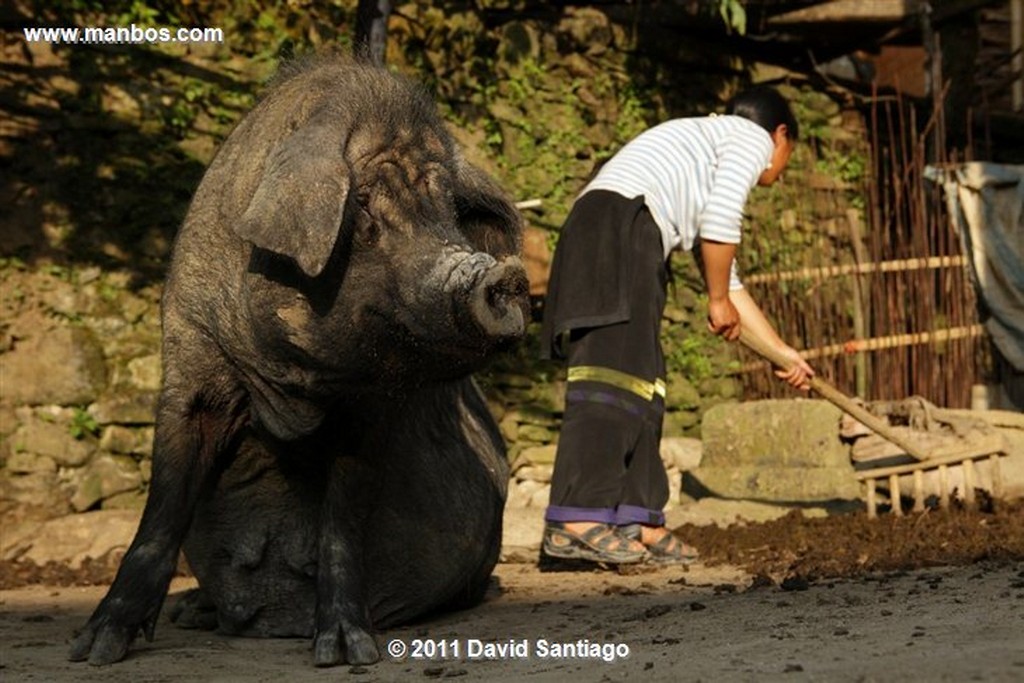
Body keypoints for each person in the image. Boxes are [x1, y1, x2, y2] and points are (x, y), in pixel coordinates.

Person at [539, 85, 816, 565]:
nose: (780, 166)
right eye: (787, 154)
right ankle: (575, 516)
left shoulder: (704, 155)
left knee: (646, 380)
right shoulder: (749, 137)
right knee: (611, 375)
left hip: (633, 232)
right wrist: (713, 300)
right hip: (619, 226)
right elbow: (723, 225)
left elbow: (727, 280)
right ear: (780, 135)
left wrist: (782, 355)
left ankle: (637, 517)